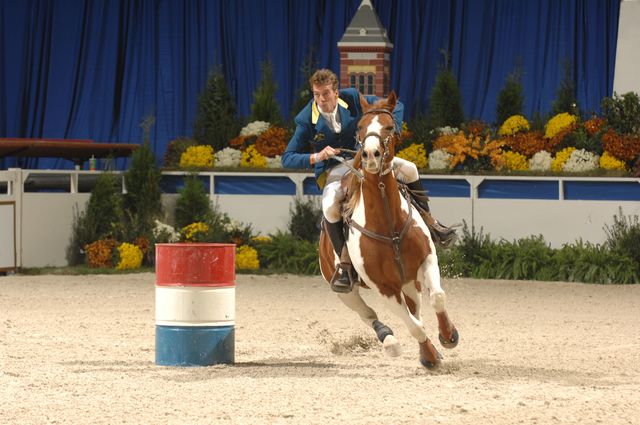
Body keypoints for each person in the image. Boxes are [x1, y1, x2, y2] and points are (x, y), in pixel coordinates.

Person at [281, 69, 456, 293]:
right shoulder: (307, 118)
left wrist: (391, 132)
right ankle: (345, 264)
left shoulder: (352, 97)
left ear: (336, 91)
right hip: (335, 168)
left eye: (325, 93)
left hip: (367, 157)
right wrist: (318, 156)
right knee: (330, 208)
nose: (321, 100)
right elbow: (288, 158)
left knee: (410, 170)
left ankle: (431, 224)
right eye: (316, 94)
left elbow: (396, 106)